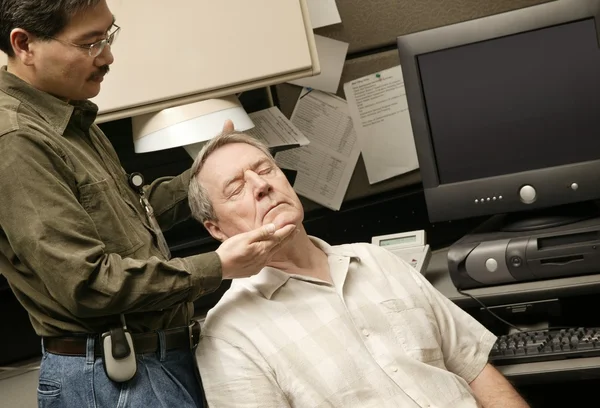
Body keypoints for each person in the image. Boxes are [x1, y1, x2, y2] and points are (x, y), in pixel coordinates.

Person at [0, 1, 295, 407]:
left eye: (108, 35)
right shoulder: (17, 142)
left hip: (150, 362)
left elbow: (129, 214)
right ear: (24, 45)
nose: (107, 56)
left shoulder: (67, 112)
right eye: (90, 43)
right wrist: (219, 265)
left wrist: (208, 174)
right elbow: (87, 286)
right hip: (117, 378)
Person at [189, 131, 531, 407]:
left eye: (265, 170)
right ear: (216, 230)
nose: (261, 185)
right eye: (236, 188)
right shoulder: (229, 337)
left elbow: (474, 369)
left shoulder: (376, 261)